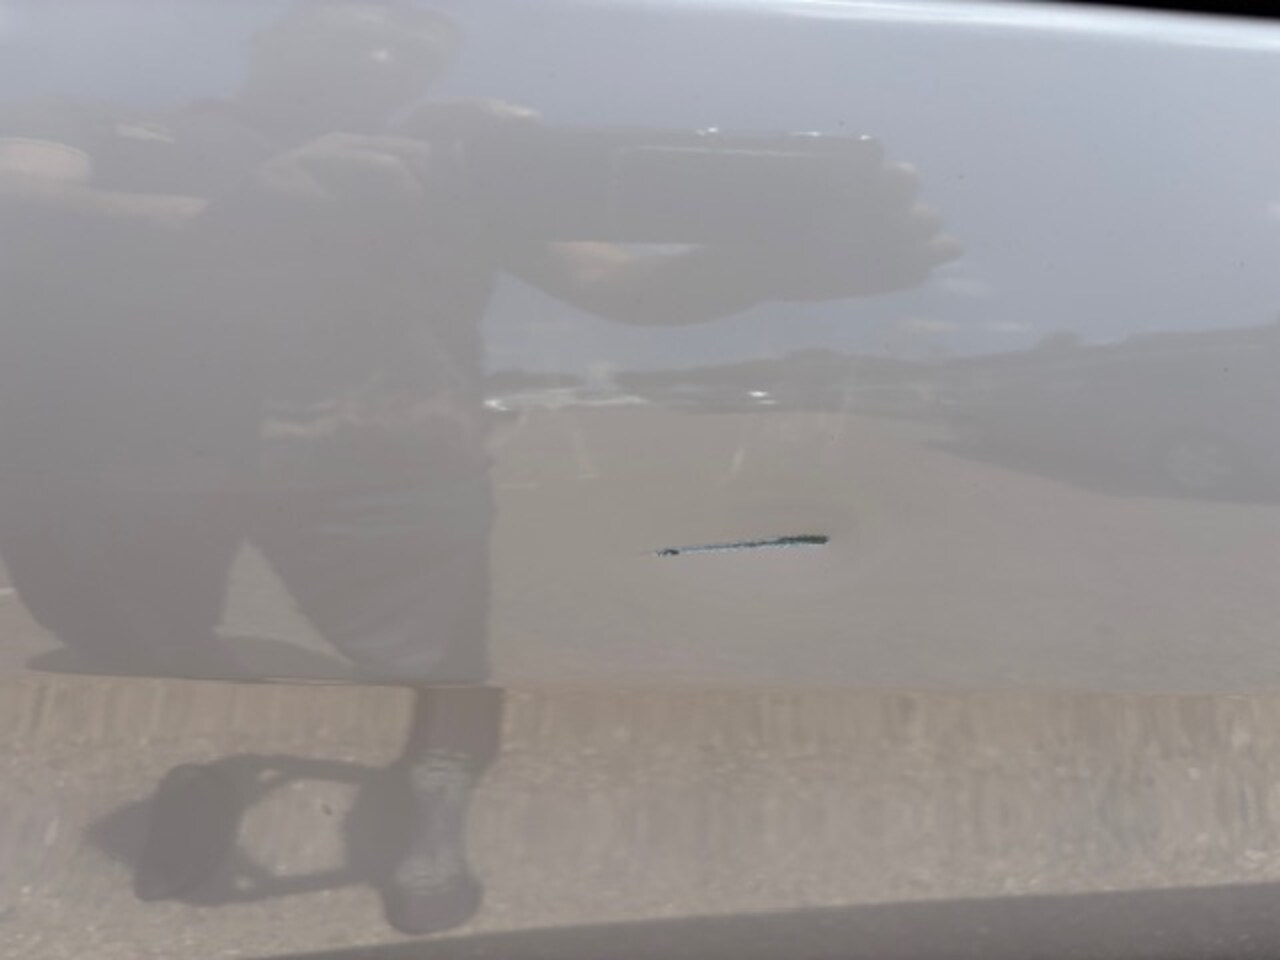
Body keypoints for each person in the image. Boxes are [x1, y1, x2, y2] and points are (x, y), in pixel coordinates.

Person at [0, 0, 959, 934]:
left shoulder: (459, 170)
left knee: (439, 672)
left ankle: (436, 795)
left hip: (389, 467)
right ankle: (196, 751)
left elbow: (620, 283)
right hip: (117, 465)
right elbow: (15, 197)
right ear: (273, 28)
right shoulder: (103, 124)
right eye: (357, 26)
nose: (387, 56)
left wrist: (769, 268)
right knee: (138, 639)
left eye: (418, 46)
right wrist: (226, 217)